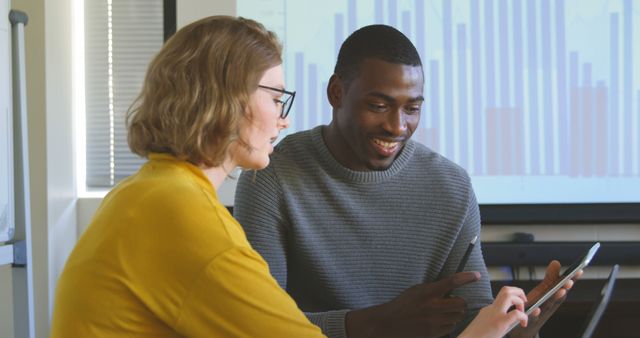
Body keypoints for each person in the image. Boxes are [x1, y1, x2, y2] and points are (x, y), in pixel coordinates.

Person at [234, 24, 575, 338]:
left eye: (412, 108)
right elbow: (256, 324)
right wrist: (376, 323)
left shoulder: (451, 187)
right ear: (336, 93)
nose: (397, 127)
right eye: (379, 105)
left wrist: (520, 325)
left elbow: (472, 324)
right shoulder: (271, 175)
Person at [50, 16, 326, 337]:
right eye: (276, 99)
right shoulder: (180, 211)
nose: (284, 120)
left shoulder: (146, 189)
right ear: (226, 99)